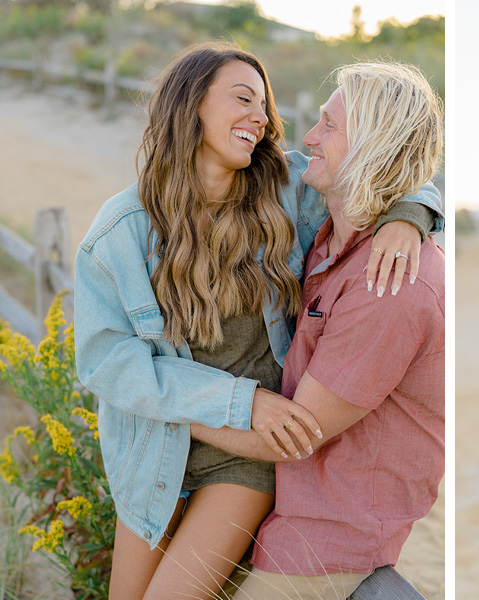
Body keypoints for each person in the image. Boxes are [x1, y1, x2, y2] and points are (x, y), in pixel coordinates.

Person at [73, 42, 442, 600]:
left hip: (247, 451)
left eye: (264, 104)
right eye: (243, 98)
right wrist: (233, 401)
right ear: (189, 105)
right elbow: (106, 361)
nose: (262, 117)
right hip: (159, 443)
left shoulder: (287, 192)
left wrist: (412, 214)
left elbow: (386, 163)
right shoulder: (118, 233)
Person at [190, 60, 445, 599]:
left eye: (329, 126)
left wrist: (160, 406)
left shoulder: (389, 282)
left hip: (326, 541)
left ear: (374, 145)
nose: (309, 138)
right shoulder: (326, 237)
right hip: (279, 509)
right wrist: (415, 209)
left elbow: (290, 435)